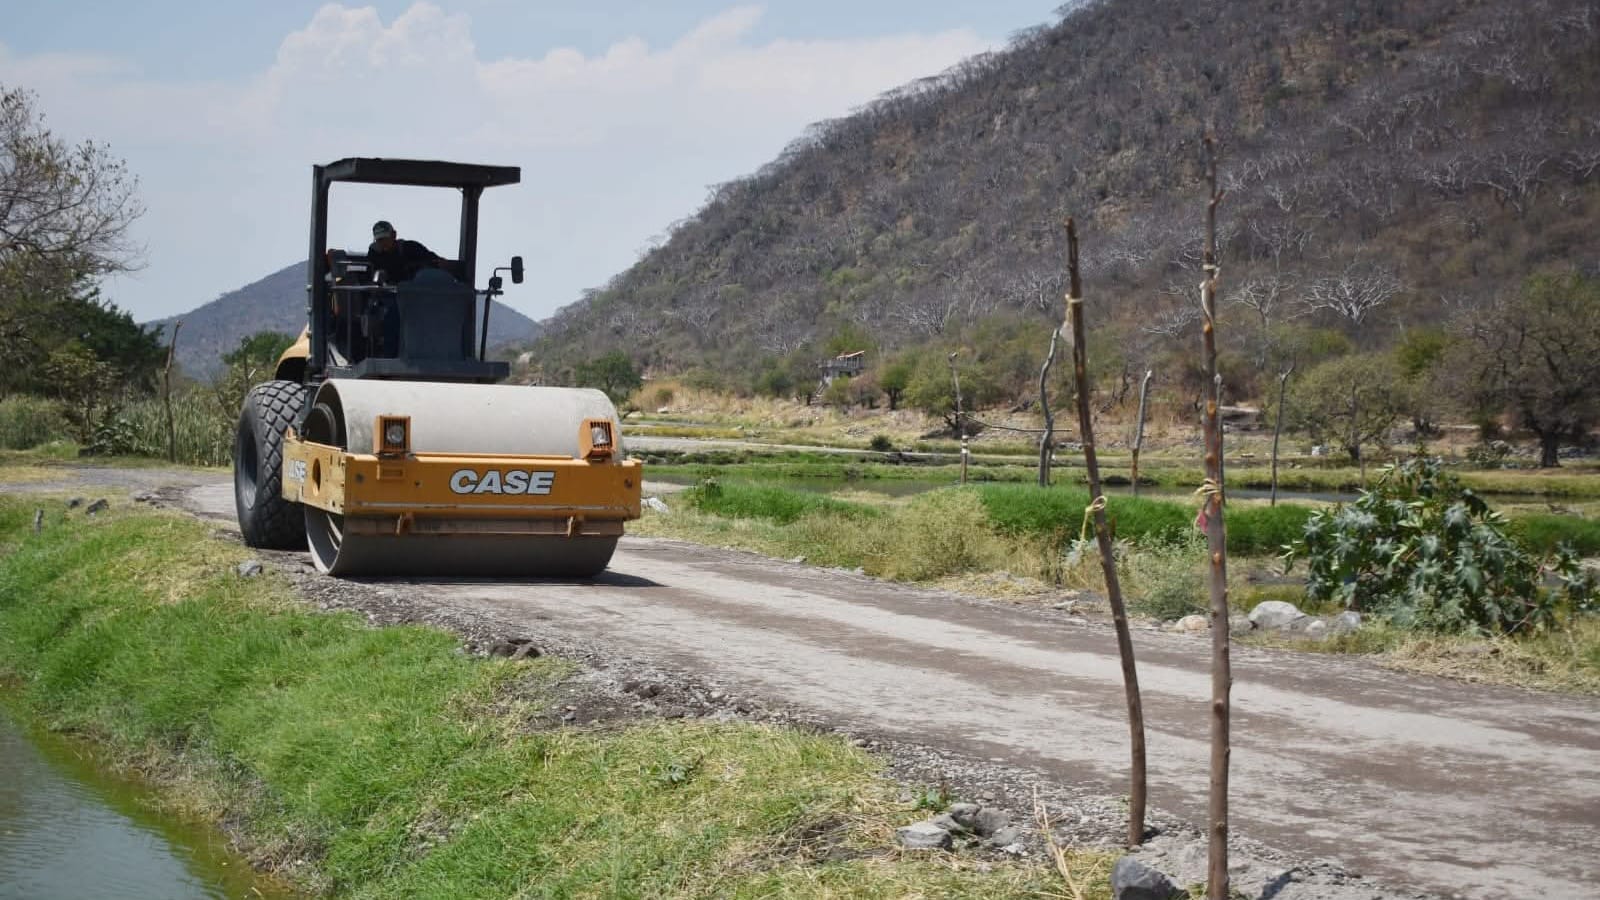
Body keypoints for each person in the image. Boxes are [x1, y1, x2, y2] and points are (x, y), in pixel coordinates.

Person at [366, 220, 444, 283]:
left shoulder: (411, 247)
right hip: (386, 295)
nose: (383, 243)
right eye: (379, 240)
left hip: (411, 294)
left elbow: (436, 261)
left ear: (394, 235)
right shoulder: (374, 254)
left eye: (385, 238)